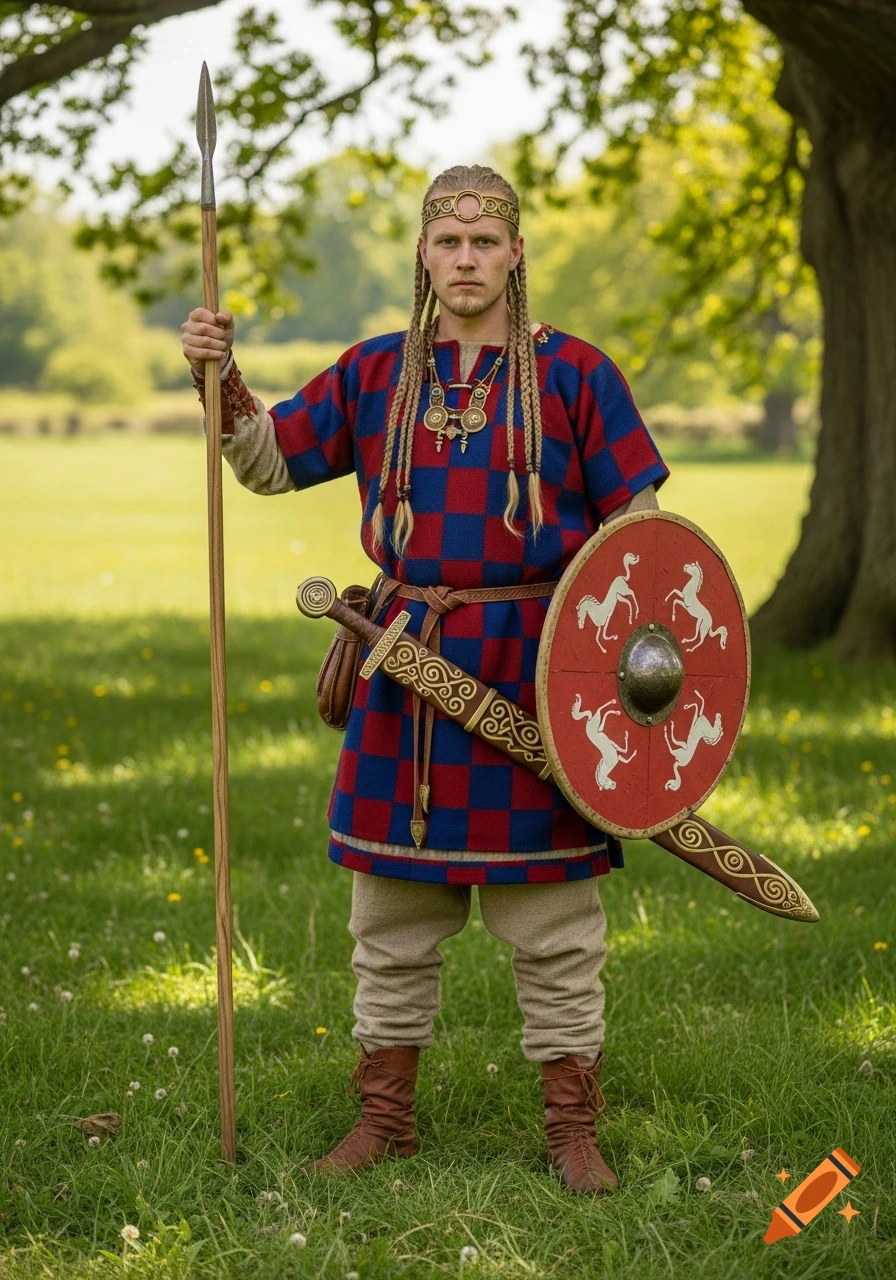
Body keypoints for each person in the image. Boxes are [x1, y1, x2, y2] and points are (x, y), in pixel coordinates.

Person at [182, 164, 668, 1193]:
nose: (463, 259)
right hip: (402, 663)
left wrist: (622, 676)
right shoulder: (375, 373)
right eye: (445, 241)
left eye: (482, 242)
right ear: (421, 252)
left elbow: (639, 534)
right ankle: (385, 1117)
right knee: (391, 917)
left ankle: (571, 1128)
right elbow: (267, 460)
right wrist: (218, 376)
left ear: (514, 253)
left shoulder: (575, 374)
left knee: (553, 924)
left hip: (538, 664)